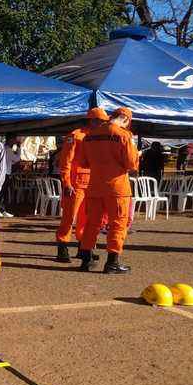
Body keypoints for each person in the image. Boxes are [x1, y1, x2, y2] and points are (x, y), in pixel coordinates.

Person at [76, 107, 139, 274]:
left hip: (94, 187)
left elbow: (83, 162)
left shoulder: (89, 136)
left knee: (92, 224)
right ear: (126, 119)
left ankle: (86, 260)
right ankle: (112, 262)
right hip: (117, 188)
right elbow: (132, 164)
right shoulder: (124, 135)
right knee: (118, 224)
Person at [55, 107, 109, 263]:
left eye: (104, 122)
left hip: (92, 184)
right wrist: (66, 183)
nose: (102, 124)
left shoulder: (99, 137)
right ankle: (62, 248)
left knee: (88, 218)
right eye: (100, 121)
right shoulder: (75, 136)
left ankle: (83, 248)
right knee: (69, 217)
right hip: (75, 184)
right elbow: (66, 162)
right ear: (92, 120)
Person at [0, 134, 20, 218]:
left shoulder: (3, 148)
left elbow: (10, 161)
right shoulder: (8, 149)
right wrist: (19, 149)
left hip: (3, 173)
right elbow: (16, 159)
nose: (16, 141)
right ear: (10, 140)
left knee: (3, 192)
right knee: (2, 192)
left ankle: (1, 209)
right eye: (14, 140)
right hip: (5, 173)